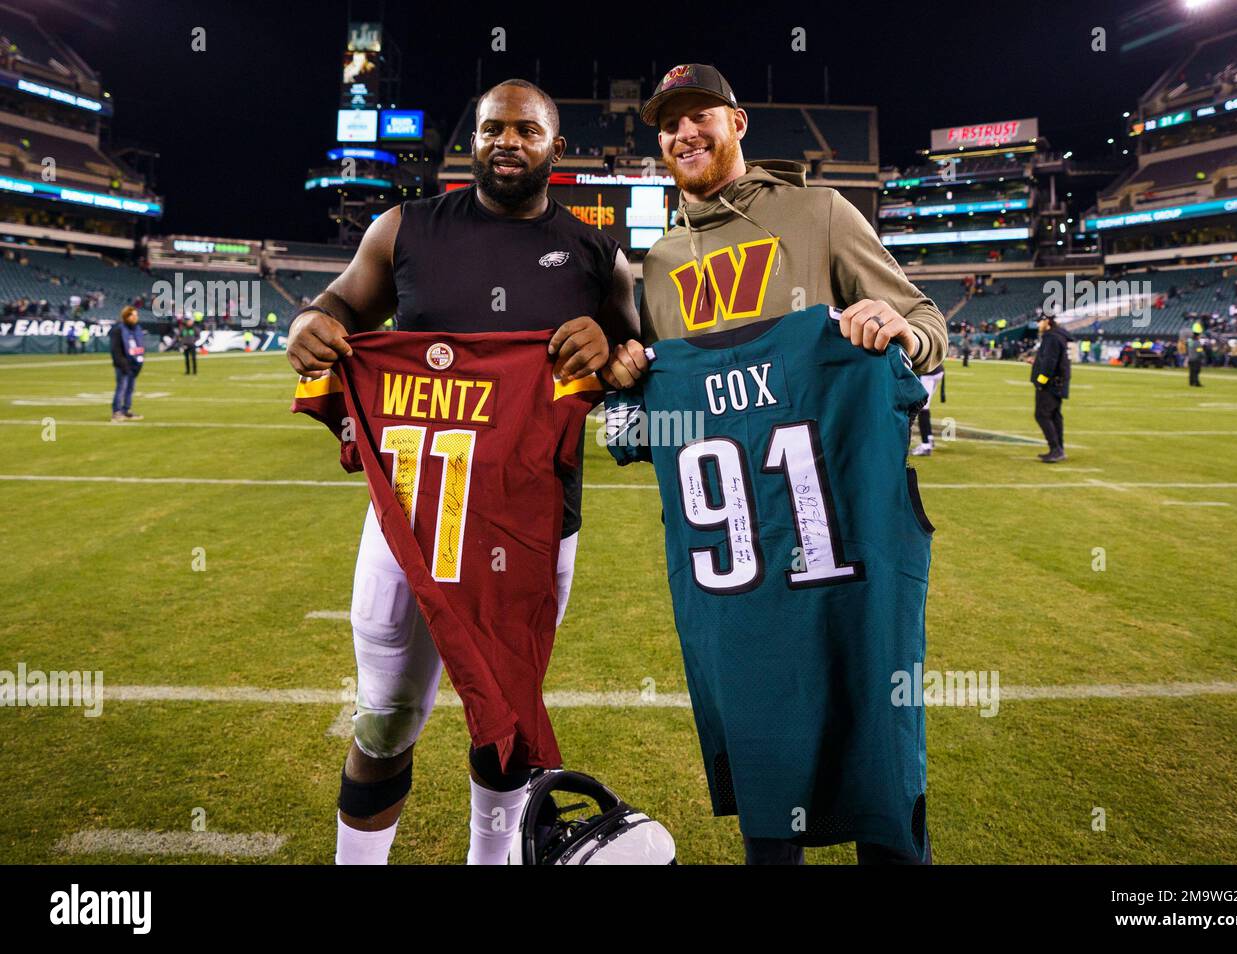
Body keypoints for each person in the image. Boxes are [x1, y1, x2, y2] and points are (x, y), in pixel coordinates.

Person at [286, 78, 638, 866]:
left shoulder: (597, 255)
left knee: (507, 719)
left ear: (556, 147)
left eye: (525, 130)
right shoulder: (403, 227)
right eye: (490, 129)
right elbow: (339, 305)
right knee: (383, 718)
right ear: (471, 142)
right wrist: (310, 323)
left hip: (534, 523)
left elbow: (636, 358)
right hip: (414, 519)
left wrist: (613, 351)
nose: (506, 142)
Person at [607, 63, 946, 866]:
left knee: (882, 786)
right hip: (737, 572)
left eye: (702, 116)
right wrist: (621, 388)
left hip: (846, 550)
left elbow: (926, 323)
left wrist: (893, 328)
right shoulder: (655, 266)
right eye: (669, 123)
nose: (685, 132)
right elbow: (633, 431)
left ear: (738, 122)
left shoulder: (819, 214)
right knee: (771, 808)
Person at [1031, 313, 1071, 462]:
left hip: (1051, 384)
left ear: (1047, 321)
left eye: (1039, 321)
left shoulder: (1052, 337)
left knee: (1042, 415)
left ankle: (1056, 449)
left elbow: (1049, 363)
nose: (1037, 325)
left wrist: (1041, 382)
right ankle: (1059, 448)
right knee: (1054, 416)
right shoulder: (1057, 336)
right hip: (1058, 383)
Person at [108, 306, 145, 422]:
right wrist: (122, 364)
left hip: (134, 364)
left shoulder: (137, 329)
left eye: (136, 315)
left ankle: (126, 410)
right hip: (123, 364)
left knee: (130, 388)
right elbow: (116, 350)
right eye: (132, 315)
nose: (135, 317)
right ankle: (117, 411)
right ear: (126, 316)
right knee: (121, 388)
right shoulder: (118, 329)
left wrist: (139, 361)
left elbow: (141, 346)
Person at [912, 362, 945, 456]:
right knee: (925, 407)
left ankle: (926, 446)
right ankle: (929, 438)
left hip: (927, 373)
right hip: (938, 370)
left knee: (922, 409)